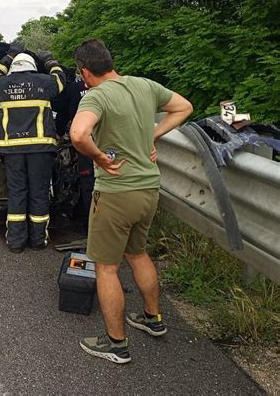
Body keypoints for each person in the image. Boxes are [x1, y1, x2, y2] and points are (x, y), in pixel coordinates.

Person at [70, 39, 193, 364]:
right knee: (138, 254)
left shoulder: (95, 96)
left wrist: (99, 158)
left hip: (115, 193)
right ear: (110, 61)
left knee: (106, 269)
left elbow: (79, 134)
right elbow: (184, 107)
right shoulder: (144, 85)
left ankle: (116, 344)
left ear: (84, 72)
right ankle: (153, 319)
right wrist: (151, 135)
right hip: (149, 189)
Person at [0, 42, 66, 253]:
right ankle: (38, 241)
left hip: (12, 149)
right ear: (33, 67)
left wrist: (9, 55)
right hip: (41, 149)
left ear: (14, 67)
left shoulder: (3, 84)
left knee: (17, 192)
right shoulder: (45, 82)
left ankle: (15, 242)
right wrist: (49, 60)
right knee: (39, 193)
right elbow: (61, 79)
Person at [55, 74, 93, 218]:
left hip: (84, 139)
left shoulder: (73, 89)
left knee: (87, 179)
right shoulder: (109, 87)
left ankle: (86, 219)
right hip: (107, 139)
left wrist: (58, 133)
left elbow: (62, 114)